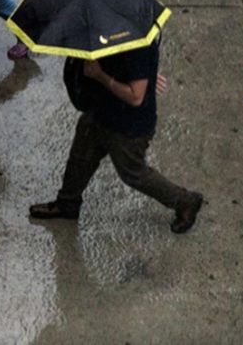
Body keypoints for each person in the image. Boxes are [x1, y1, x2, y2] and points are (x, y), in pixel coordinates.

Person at [29, 40, 204, 234]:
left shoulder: (139, 45)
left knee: (133, 172)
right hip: (99, 109)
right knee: (81, 155)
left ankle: (185, 201)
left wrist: (99, 75)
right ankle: (67, 202)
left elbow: (135, 96)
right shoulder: (104, 30)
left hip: (127, 125)